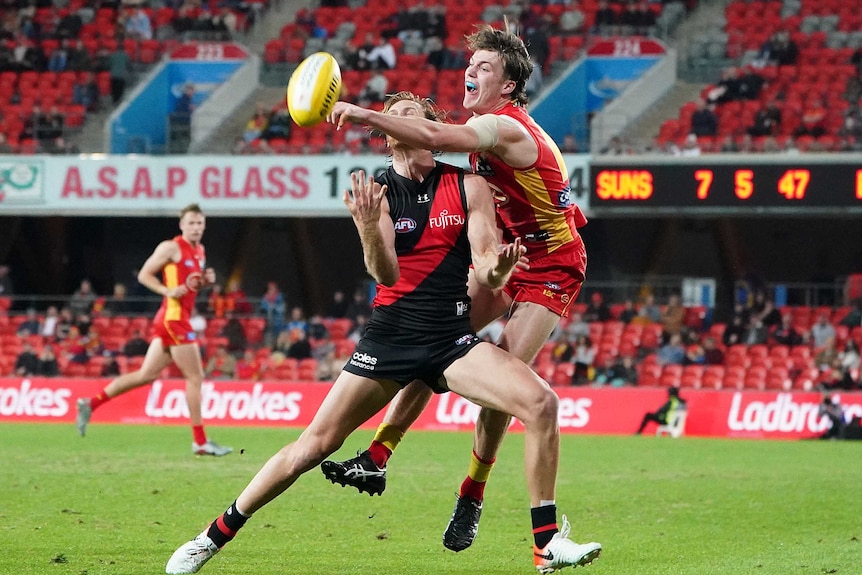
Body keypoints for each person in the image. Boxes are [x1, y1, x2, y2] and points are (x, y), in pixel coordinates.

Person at [165, 93, 601, 575]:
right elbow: (385, 272)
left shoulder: (469, 183)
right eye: (394, 116)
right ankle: (210, 538)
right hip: (389, 339)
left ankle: (544, 547)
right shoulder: (379, 190)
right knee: (312, 447)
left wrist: (497, 270)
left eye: (412, 114)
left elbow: (485, 263)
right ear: (387, 135)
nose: (401, 119)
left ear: (429, 130)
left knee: (542, 404)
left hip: (450, 341)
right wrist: (369, 227)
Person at [323, 20, 590, 554]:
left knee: (508, 373)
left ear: (509, 86)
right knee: (438, 335)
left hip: (550, 263)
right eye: (470, 65)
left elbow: (437, 136)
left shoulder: (504, 128)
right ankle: (377, 457)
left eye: (485, 68)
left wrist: (361, 113)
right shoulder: (483, 130)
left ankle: (473, 492)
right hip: (506, 256)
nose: (470, 72)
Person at [75, 204, 231, 457]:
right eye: (191, 223)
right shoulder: (171, 247)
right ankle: (200, 441)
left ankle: (90, 404)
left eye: (200, 224)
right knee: (195, 378)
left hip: (174, 318)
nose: (196, 228)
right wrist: (166, 291)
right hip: (173, 318)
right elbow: (145, 275)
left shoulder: (199, 250)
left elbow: (188, 285)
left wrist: (205, 282)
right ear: (181, 225)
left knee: (146, 375)